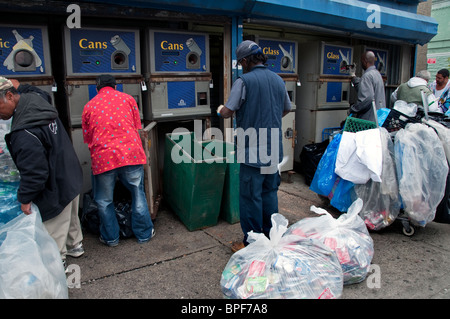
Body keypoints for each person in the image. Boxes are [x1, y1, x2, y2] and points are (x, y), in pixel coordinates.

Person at [0, 76, 84, 267]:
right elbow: (40, 92)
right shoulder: (36, 100)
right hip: (70, 170)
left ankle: (57, 264)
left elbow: (35, 173)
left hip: (56, 183)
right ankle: (75, 245)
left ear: (10, 96)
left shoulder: (24, 132)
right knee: (70, 216)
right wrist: (21, 84)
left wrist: (25, 198)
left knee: (54, 228)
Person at [217, 40, 291, 251]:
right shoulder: (278, 80)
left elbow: (228, 111)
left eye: (241, 63)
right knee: (269, 194)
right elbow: (285, 109)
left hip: (252, 152)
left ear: (245, 61)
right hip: (273, 150)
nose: (241, 67)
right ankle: (271, 238)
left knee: (250, 197)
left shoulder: (244, 81)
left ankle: (252, 243)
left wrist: (220, 109)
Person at [82, 74, 154, 247]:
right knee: (138, 194)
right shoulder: (128, 99)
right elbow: (137, 125)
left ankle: (111, 238)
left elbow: (87, 137)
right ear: (115, 86)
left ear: (97, 88)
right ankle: (144, 234)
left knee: (104, 200)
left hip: (104, 157)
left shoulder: (89, 106)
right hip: (130, 154)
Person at [349, 51, 386, 122]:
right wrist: (354, 77)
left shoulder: (367, 76)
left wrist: (353, 109)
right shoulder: (377, 74)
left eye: (361, 61)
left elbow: (366, 99)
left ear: (364, 61)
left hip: (368, 119)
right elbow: (363, 89)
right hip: (378, 118)